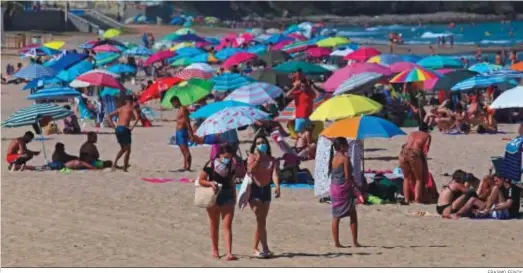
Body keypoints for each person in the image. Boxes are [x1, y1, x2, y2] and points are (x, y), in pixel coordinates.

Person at [198, 144, 237, 261]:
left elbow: (233, 181)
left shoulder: (232, 165)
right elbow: (201, 180)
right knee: (214, 224)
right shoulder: (211, 164)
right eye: (225, 156)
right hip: (213, 195)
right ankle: (215, 249)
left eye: (230, 157)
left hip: (228, 194)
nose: (227, 159)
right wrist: (210, 183)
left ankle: (229, 252)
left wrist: (235, 196)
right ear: (219, 155)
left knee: (227, 225)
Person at [247, 135, 280, 258]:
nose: (261, 144)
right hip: (254, 189)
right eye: (258, 143)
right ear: (255, 146)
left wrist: (277, 186)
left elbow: (274, 174)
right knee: (259, 218)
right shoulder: (251, 157)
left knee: (261, 221)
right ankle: (263, 247)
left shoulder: (272, 160)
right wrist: (258, 159)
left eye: (263, 142)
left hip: (266, 189)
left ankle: (257, 247)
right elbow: (250, 171)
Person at [328, 137, 360, 248]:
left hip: (334, 188)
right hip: (343, 189)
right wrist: (357, 188)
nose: (348, 146)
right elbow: (348, 177)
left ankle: (336, 242)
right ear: (342, 147)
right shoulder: (345, 159)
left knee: (336, 216)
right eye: (347, 144)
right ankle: (355, 242)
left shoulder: (333, 157)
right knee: (353, 215)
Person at [398, 123, 431, 203]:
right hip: (414, 154)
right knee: (419, 179)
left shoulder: (412, 133)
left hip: (403, 153)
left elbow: (404, 145)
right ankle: (417, 199)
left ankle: (406, 199)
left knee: (406, 177)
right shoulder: (427, 136)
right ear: (427, 130)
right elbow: (425, 151)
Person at [106, 95, 140, 172]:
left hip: (118, 129)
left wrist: (113, 126)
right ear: (130, 101)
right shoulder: (132, 108)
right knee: (128, 150)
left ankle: (114, 164)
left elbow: (108, 116)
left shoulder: (121, 108)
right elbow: (137, 117)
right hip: (125, 129)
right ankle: (125, 167)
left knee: (123, 149)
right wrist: (132, 127)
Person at [171, 96, 194, 171]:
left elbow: (187, 122)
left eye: (173, 104)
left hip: (182, 131)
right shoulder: (179, 109)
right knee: (183, 150)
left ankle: (188, 167)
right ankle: (185, 166)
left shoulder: (183, 109)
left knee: (185, 150)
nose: (173, 105)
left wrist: (191, 133)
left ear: (176, 101)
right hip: (179, 132)